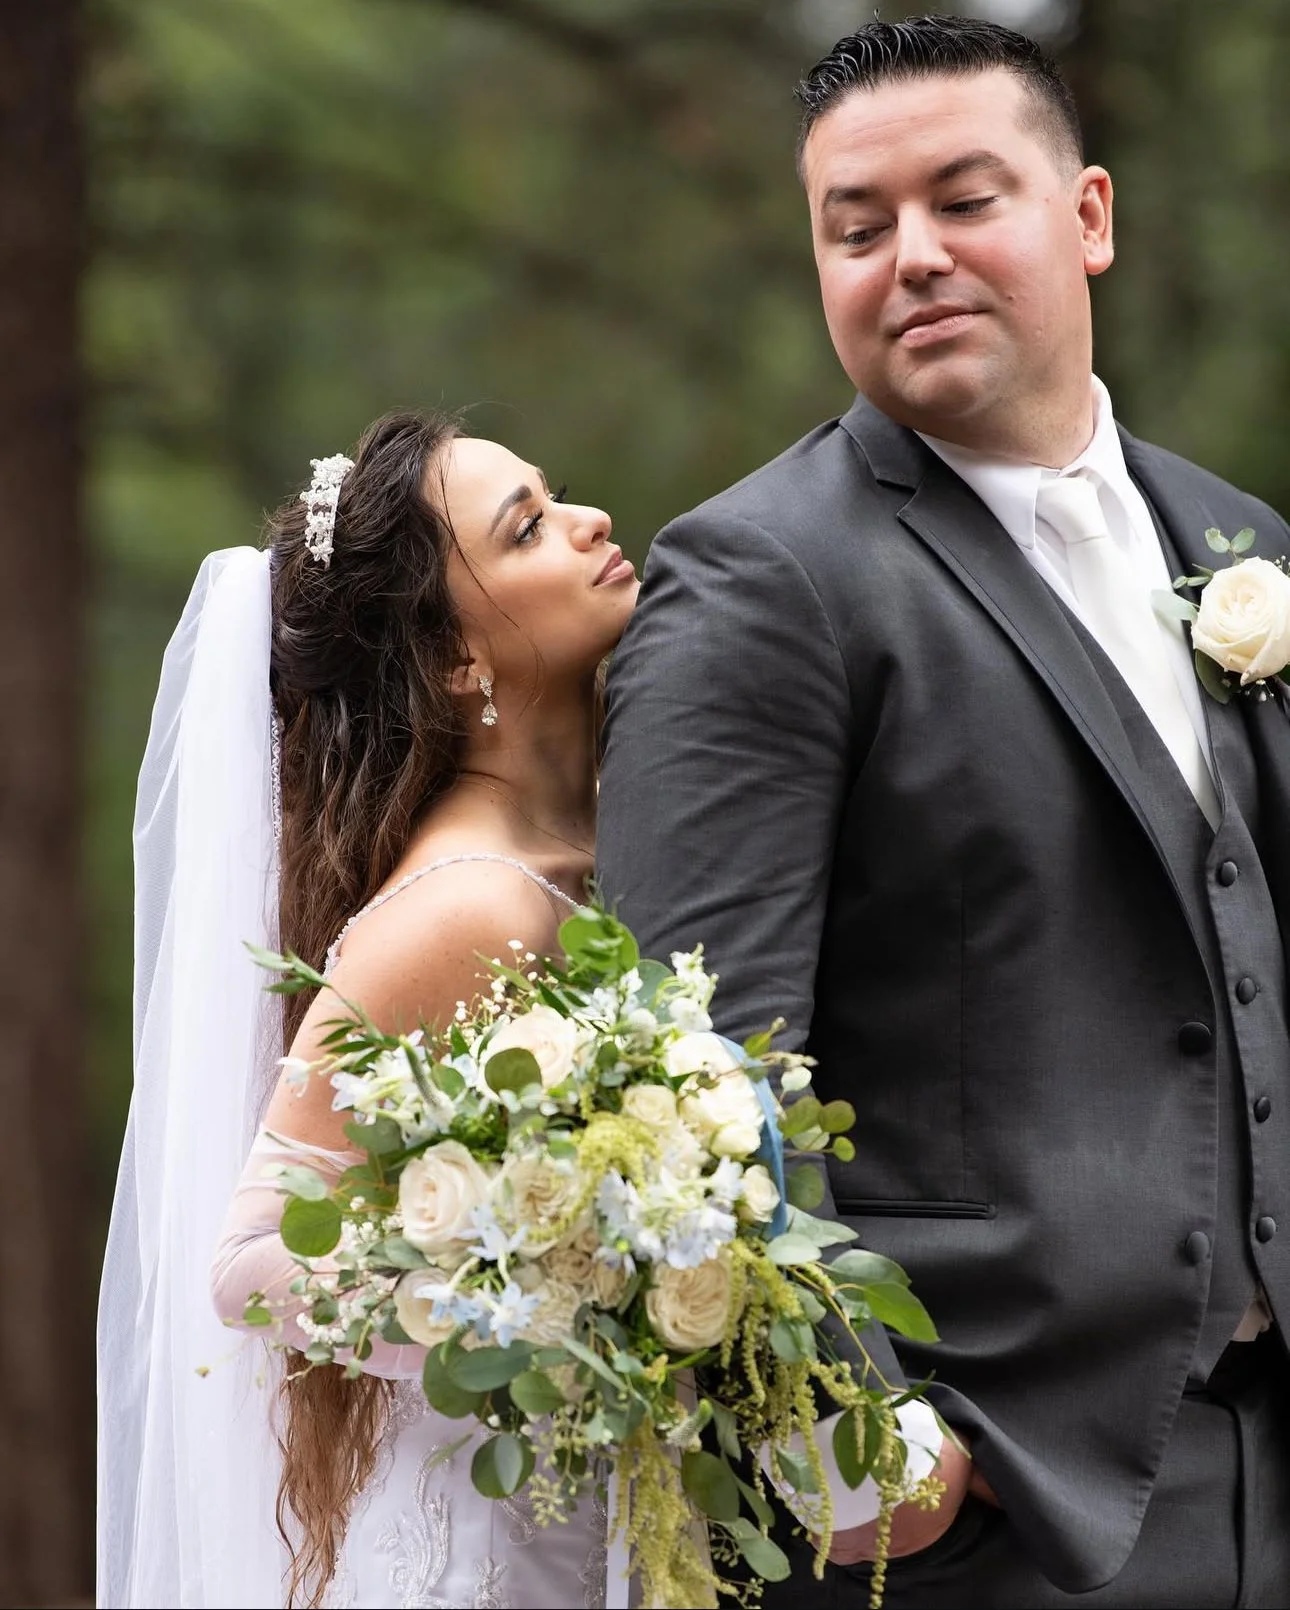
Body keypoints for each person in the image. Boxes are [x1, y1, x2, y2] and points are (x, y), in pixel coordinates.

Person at [597, 16, 1290, 1609]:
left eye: (962, 201)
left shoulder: (1235, 536)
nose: (908, 256)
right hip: (991, 1515)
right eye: (855, 226)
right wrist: (875, 1460)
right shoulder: (763, 578)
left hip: (1259, 1477)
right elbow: (691, 1070)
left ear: (1089, 216)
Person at [96, 410, 638, 1608]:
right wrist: (557, 1316)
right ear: (456, 660)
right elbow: (246, 1262)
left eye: (554, 493)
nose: (589, 521)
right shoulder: (464, 907)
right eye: (531, 528)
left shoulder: (612, 830)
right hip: (484, 1553)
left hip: (594, 1513)